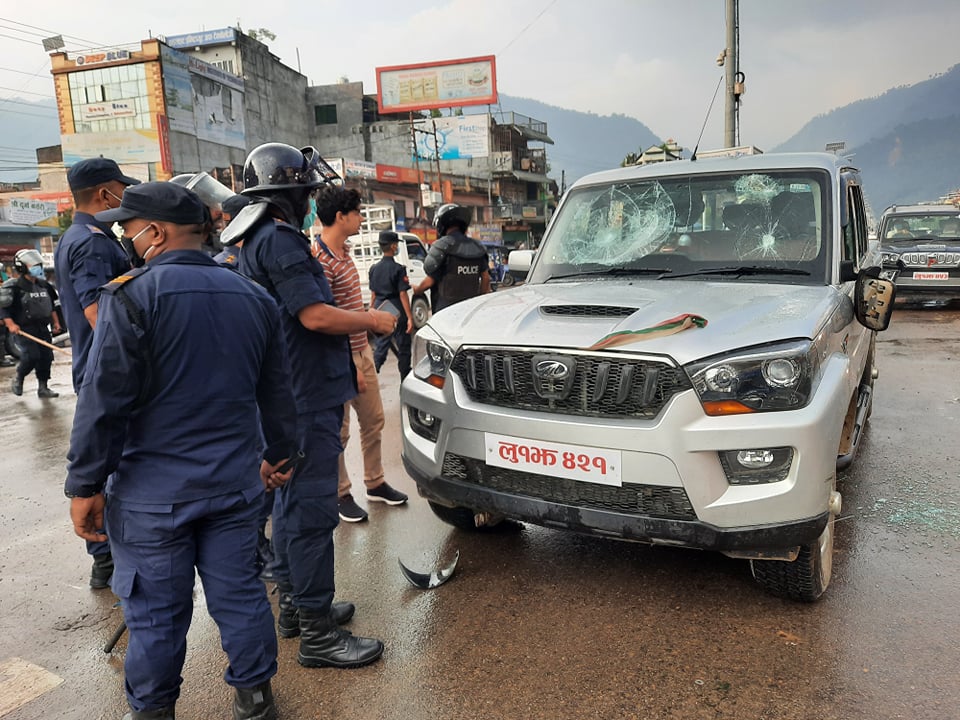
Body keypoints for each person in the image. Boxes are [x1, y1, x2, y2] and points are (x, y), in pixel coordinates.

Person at [65, 182, 299, 720]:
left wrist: (84, 485)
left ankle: (153, 710)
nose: (125, 234)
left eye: (130, 226)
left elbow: (104, 401)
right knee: (240, 596)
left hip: (153, 496)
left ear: (158, 232)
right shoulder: (254, 297)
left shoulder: (130, 296)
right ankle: (256, 699)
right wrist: (280, 455)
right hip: (235, 486)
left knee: (154, 614)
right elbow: (278, 393)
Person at [227, 142, 395, 669]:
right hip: (305, 397)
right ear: (290, 192)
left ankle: (297, 610)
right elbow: (315, 316)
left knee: (290, 506)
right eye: (305, 190)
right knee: (310, 514)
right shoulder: (280, 241)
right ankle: (318, 634)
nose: (309, 199)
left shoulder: (257, 237)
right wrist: (372, 321)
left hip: (290, 392)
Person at [54, 157, 139, 589]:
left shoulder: (83, 236)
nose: (126, 196)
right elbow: (96, 314)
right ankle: (105, 556)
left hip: (98, 365)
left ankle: (107, 556)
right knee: (109, 463)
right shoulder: (90, 242)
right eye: (121, 188)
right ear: (105, 194)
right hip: (104, 367)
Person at [313, 187, 409, 523]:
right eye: (356, 212)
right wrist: (350, 360)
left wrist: (370, 322)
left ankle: (375, 481)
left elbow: (350, 304)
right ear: (340, 217)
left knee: (374, 421)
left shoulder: (345, 251)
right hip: (339, 357)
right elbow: (323, 318)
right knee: (339, 431)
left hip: (362, 350)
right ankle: (340, 493)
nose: (360, 218)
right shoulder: (320, 260)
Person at [1, 249, 63, 398]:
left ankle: (43, 387)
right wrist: (10, 324)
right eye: (32, 265)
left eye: (38, 264)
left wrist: (56, 323)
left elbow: (52, 306)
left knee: (46, 357)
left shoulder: (44, 285)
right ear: (22, 267)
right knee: (31, 356)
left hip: (42, 328)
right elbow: (3, 309)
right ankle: (19, 378)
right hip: (24, 329)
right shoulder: (14, 286)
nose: (37, 267)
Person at [413, 203, 491, 310]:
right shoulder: (478, 247)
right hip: (471, 309)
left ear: (440, 224)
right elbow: (486, 279)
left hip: (445, 312)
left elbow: (430, 280)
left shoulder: (441, 246)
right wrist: (478, 299)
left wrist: (417, 290)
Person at [369, 230, 413, 380]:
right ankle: (405, 380)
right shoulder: (398, 269)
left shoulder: (374, 269)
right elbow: (403, 294)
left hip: (380, 308)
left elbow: (373, 294)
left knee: (380, 346)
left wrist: (371, 311)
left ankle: (373, 375)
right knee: (404, 349)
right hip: (396, 309)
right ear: (394, 246)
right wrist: (409, 317)